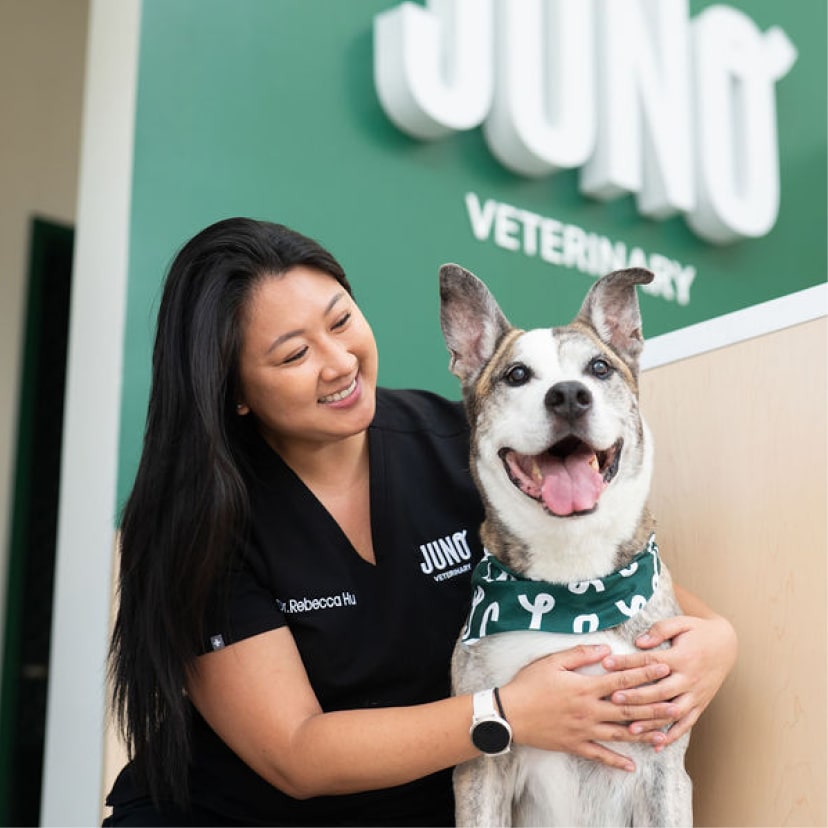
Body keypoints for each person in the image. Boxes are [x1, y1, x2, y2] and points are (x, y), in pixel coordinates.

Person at [104, 217, 737, 826]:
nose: (338, 362)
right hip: (230, 816)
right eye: (294, 354)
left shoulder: (472, 445)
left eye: (342, 321)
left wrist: (715, 641)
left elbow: (606, 570)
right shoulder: (207, 521)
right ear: (232, 389)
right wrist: (509, 713)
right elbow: (296, 753)